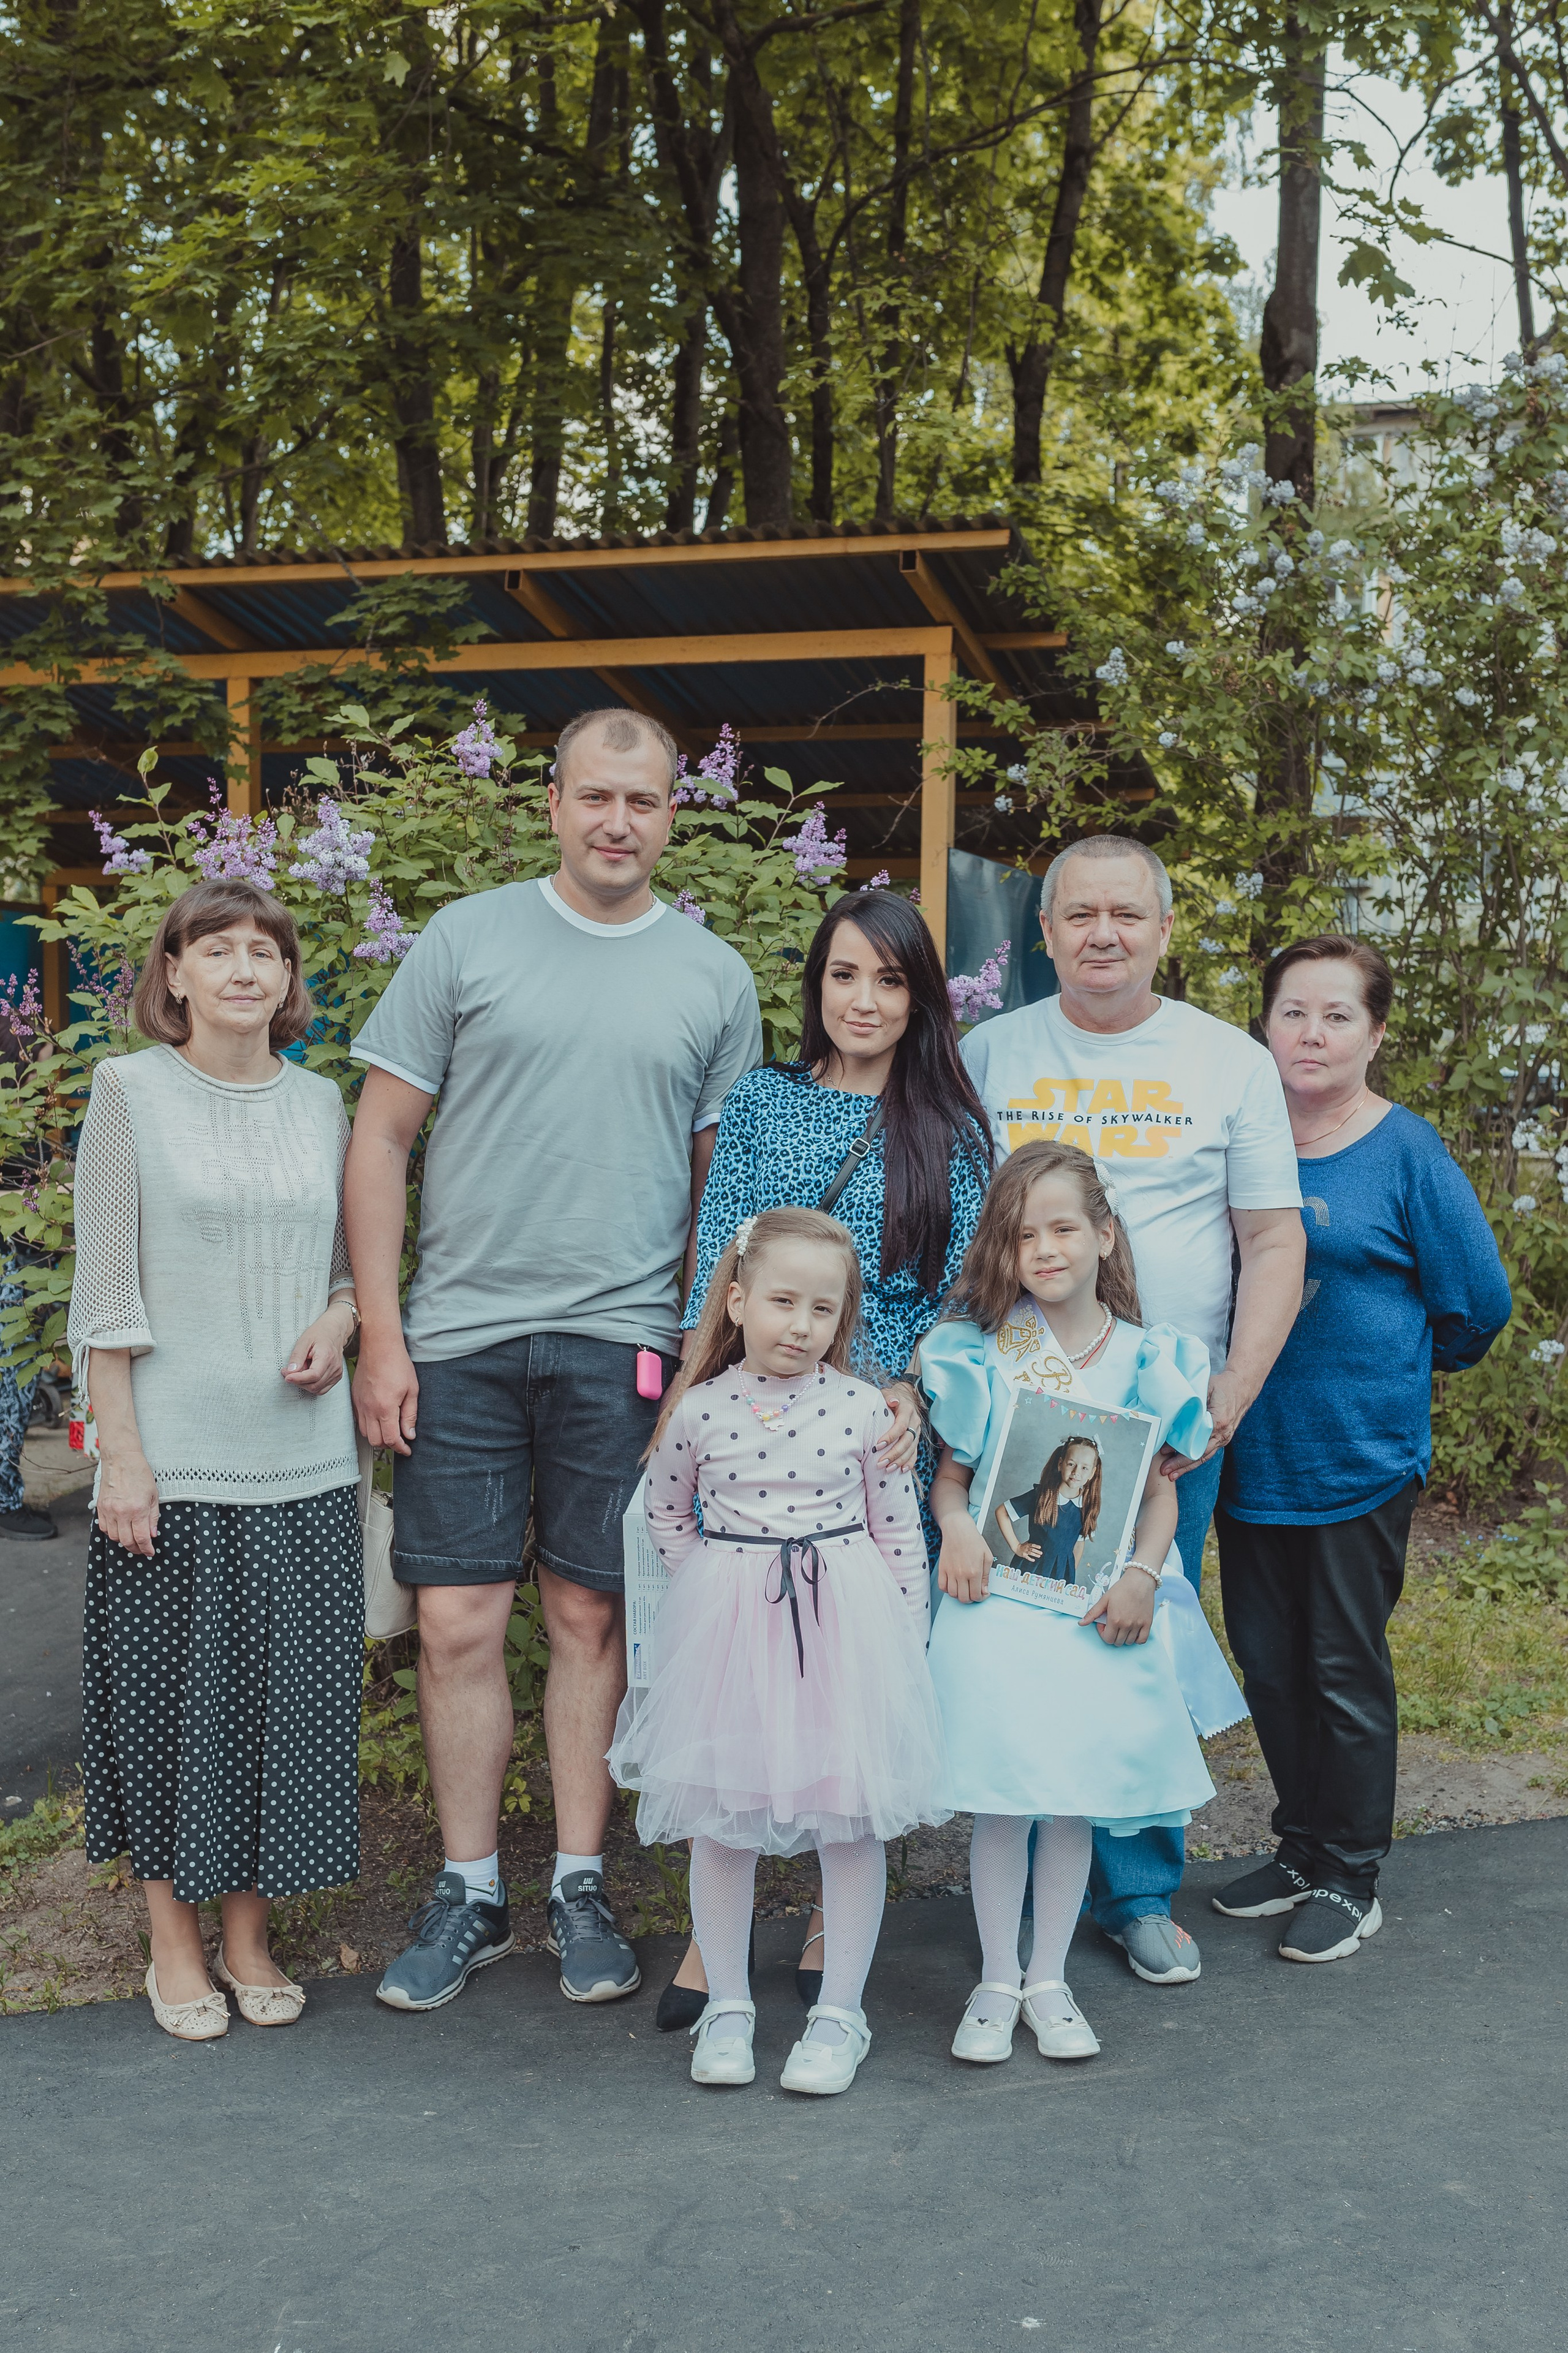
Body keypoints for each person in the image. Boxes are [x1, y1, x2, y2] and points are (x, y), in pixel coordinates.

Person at [347, 707, 762, 2013]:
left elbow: (721, 1193)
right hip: (458, 1338)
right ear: (552, 803)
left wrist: (698, 1369)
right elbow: (379, 1141)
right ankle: (470, 1889)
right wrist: (382, 1330)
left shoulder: (712, 976)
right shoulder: (467, 938)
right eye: (595, 797)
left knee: (591, 1614)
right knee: (457, 1619)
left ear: (671, 816)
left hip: (626, 1343)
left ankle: (578, 1881)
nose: (616, 822)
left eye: (641, 803)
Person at [959, 833, 1305, 1985]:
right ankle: (1017, 1872)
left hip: (1159, 1422)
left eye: (1127, 915)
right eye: (1079, 915)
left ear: (1163, 930)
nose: (1103, 934)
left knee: (1130, 1635)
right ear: (1043, 933)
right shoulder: (987, 1054)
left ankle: (1139, 1890)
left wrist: (1228, 1396)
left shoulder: (1229, 1062)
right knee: (1011, 1647)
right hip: (1014, 1411)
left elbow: (1272, 1237)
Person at [658, 886, 992, 2028]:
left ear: (921, 998)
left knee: (839, 1692)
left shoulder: (952, 1128)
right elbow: (721, 1256)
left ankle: (822, 1916)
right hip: (750, 1422)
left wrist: (906, 1385)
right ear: (815, 986)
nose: (864, 999)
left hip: (874, 1431)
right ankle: (721, 1944)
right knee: (743, 1689)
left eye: (890, 980)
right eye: (844, 975)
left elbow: (964, 1293)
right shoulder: (761, 1099)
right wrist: (697, 1401)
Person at [69, 878, 361, 2041]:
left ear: (290, 981)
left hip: (304, 1458)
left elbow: (346, 1266)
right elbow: (105, 1291)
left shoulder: (325, 1100)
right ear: (174, 973)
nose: (245, 969)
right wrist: (120, 1458)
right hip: (173, 1457)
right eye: (218, 950)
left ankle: (247, 1935)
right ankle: (172, 1943)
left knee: (279, 1706)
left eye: (266, 953)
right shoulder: (128, 1092)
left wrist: (338, 1327)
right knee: (163, 1707)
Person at [1212, 935, 1511, 1962]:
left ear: (1375, 1033)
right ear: (1265, 1023)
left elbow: (1478, 1301)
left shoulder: (1405, 1150)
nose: (1312, 1033)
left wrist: (1388, 1370)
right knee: (1269, 1662)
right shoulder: (1242, 1138)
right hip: (1250, 1451)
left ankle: (1352, 1876)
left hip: (1360, 1455)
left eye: (1337, 1015)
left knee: (1343, 1665)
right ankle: (1301, 1849)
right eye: (1294, 1011)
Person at [607, 1207, 946, 2096]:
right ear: (739, 1298)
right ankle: (728, 2004)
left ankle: (839, 2013)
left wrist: (903, 1641)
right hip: (733, 1636)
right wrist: (712, 1583)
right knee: (723, 1820)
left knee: (848, 1817)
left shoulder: (868, 1410)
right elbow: (666, 1509)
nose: (801, 1325)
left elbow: (897, 1531)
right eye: (783, 1301)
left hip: (845, 1636)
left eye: (824, 1310)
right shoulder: (699, 1412)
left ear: (844, 1319)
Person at [919, 1141, 1245, 2065]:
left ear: (1105, 1234)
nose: (1047, 1248)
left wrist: (1143, 1573)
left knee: (1070, 1804)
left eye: (1065, 1228)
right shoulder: (980, 1352)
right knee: (1002, 1802)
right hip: (999, 1609)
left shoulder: (1155, 1357)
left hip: (1098, 1611)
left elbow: (1158, 1494)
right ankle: (994, 1978)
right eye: (1026, 1236)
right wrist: (959, 1530)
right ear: (1006, 1252)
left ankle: (1049, 1978)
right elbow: (957, 1479)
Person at [995, 1437, 1102, 1578]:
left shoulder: (1087, 1507)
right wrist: (1017, 1547)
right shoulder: (1041, 1495)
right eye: (1071, 1464)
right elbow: (1002, 1512)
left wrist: (1068, 1574)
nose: (1076, 1472)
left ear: (1092, 1473)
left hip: (1059, 1577)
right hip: (1030, 1569)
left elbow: (1078, 1545)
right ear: (1060, 1464)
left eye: (1084, 1468)